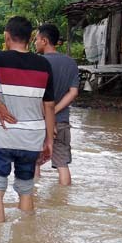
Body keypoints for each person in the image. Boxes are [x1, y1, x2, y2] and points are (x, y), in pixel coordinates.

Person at [0, 16, 55, 222]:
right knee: (26, 190)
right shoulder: (43, 65)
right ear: (29, 39)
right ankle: (25, 240)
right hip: (31, 138)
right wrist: (50, 141)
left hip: (3, 134)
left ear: (7, 36)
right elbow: (49, 105)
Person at [34, 23, 80, 186]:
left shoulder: (37, 63)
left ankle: (32, 203)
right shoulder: (71, 63)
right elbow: (73, 92)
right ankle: (64, 202)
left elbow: (36, 94)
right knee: (62, 164)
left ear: (45, 41)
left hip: (39, 121)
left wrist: (47, 115)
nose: (35, 43)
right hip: (62, 121)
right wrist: (54, 111)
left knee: (35, 163)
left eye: (37, 39)